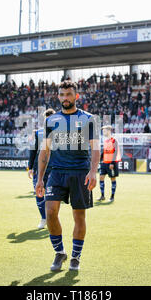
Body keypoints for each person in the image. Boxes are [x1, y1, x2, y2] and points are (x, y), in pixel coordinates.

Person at [35, 80, 100, 272]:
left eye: (69, 94)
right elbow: (44, 151)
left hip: (80, 172)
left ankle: (75, 257)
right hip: (57, 172)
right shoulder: (51, 120)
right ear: (58, 97)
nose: (65, 98)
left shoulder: (88, 119)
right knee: (50, 212)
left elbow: (95, 148)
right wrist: (39, 179)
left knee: (79, 216)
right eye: (62, 95)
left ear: (76, 96)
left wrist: (93, 171)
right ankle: (59, 252)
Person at [27, 108, 56, 229]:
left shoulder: (60, 132)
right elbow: (33, 151)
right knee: (39, 193)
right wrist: (30, 167)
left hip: (55, 168)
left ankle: (52, 219)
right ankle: (44, 218)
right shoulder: (39, 133)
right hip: (40, 167)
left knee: (52, 195)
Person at [97, 125, 121, 202]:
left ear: (109, 131)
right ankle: (102, 196)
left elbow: (115, 152)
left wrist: (112, 163)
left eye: (104, 130)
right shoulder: (105, 141)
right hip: (104, 163)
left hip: (111, 164)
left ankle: (112, 197)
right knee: (101, 177)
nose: (103, 132)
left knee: (112, 179)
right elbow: (104, 152)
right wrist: (99, 160)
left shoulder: (114, 141)